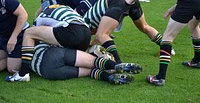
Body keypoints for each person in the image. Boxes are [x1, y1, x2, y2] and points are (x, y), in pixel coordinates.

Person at [121, 0, 200, 86]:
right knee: (194, 26)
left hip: (189, 1)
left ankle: (160, 78)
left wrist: (130, 0)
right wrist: (173, 8)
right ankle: (197, 61)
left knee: (167, 38)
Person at [6, 4, 91, 80]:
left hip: (71, 30)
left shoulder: (39, 19)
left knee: (29, 33)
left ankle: (23, 73)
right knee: (80, 60)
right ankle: (97, 59)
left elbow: (35, 39)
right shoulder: (65, 8)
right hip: (86, 33)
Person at [83, 0, 172, 64]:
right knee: (144, 26)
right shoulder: (92, 20)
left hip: (117, 2)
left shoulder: (86, 24)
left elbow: (99, 34)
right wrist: (92, 43)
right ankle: (167, 48)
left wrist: (87, 47)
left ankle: (118, 63)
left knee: (101, 35)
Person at [6, 41, 142, 84]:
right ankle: (115, 66)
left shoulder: (20, 50)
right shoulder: (37, 34)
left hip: (46, 72)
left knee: (89, 72)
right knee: (92, 61)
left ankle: (110, 77)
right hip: (51, 54)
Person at [0, 0, 29, 73]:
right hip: (3, 36)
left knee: (12, 69)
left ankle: (29, 51)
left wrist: (13, 37)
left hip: (19, 33)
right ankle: (10, 55)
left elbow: (23, 15)